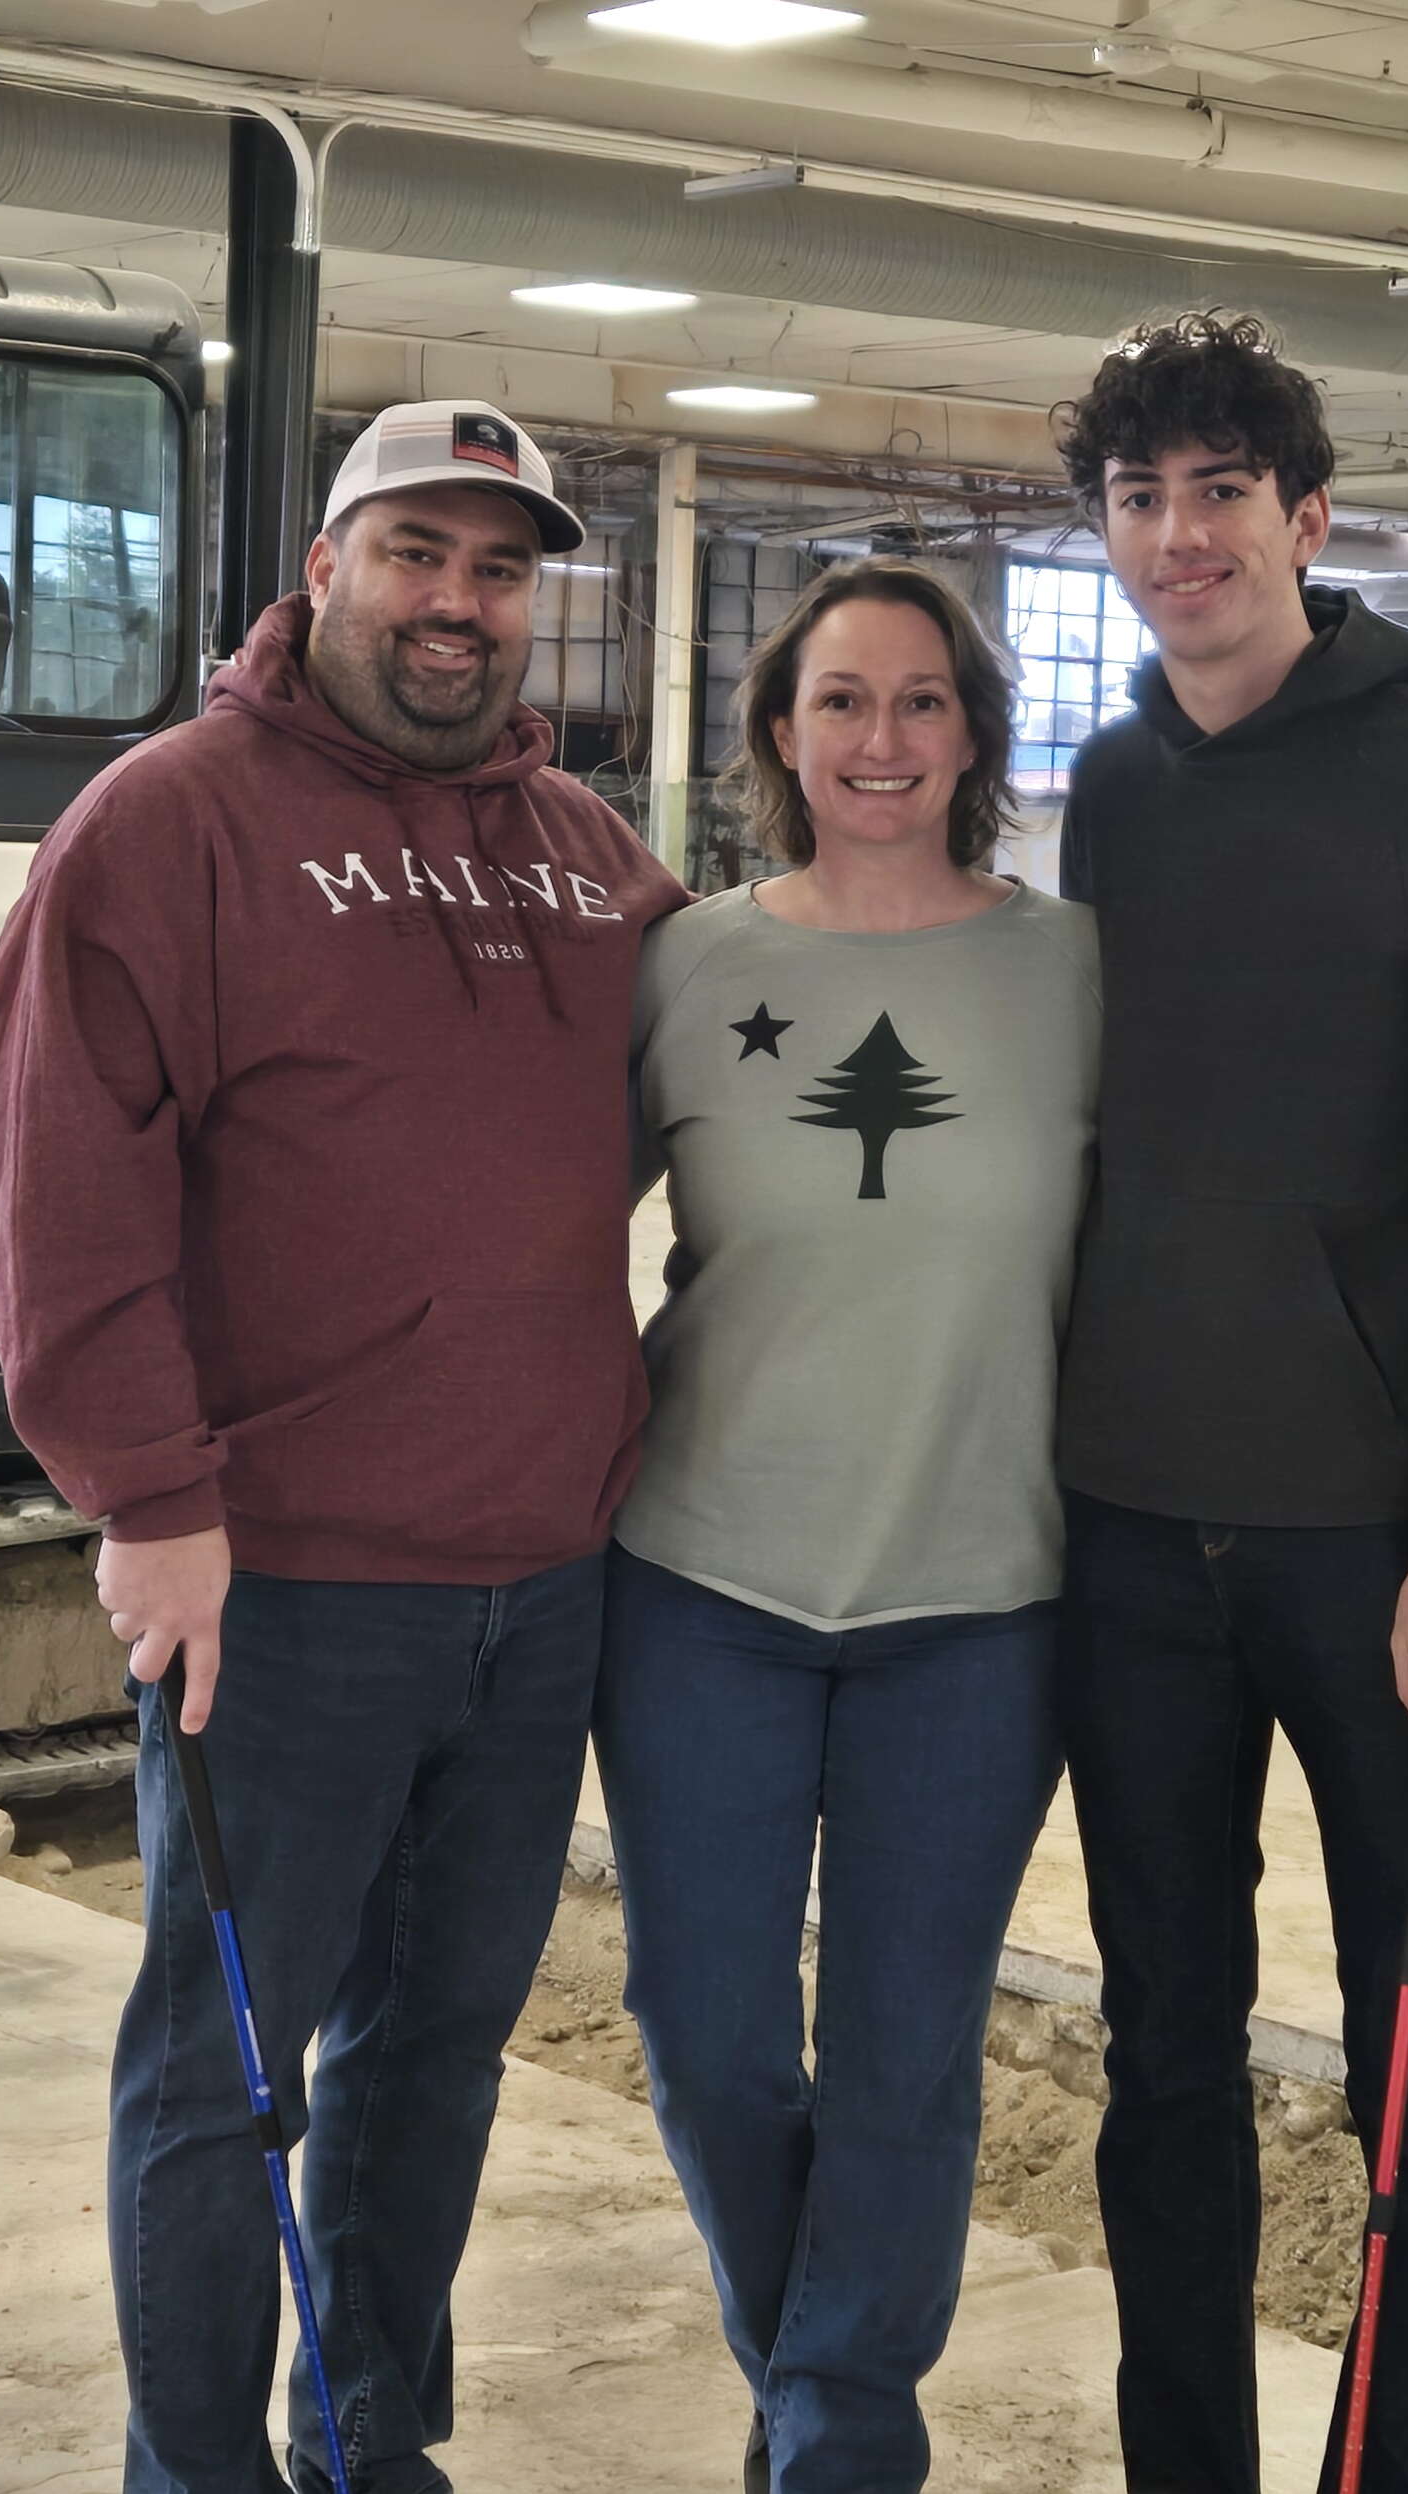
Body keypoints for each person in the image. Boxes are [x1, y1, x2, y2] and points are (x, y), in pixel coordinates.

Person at [0, 398, 687, 2494]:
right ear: (324, 563)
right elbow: (51, 1182)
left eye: (496, 568)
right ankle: (191, 2465)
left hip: (541, 1577)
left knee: (431, 2058)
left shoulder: (583, 863)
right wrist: (146, 1493)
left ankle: (370, 2434)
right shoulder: (166, 822)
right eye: (414, 554)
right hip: (278, 1583)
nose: (455, 605)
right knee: (224, 2068)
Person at [1046, 312, 1408, 2493]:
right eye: (1136, 498)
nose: (1176, 538)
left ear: (1305, 518)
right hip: (1123, 1538)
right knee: (1157, 2051)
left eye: (1215, 494)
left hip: (1370, 1550)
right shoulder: (1109, 785)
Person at [600, 556, 1098, 2494]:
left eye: (915, 701)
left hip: (976, 1602)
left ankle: (832, 2443)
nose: (875, 740)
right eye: (835, 701)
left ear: (970, 731)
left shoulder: (1068, 970)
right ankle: (813, 2381)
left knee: (900, 2053)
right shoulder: (684, 962)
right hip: (702, 1577)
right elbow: (519, 1210)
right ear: (775, 733)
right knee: (707, 2024)